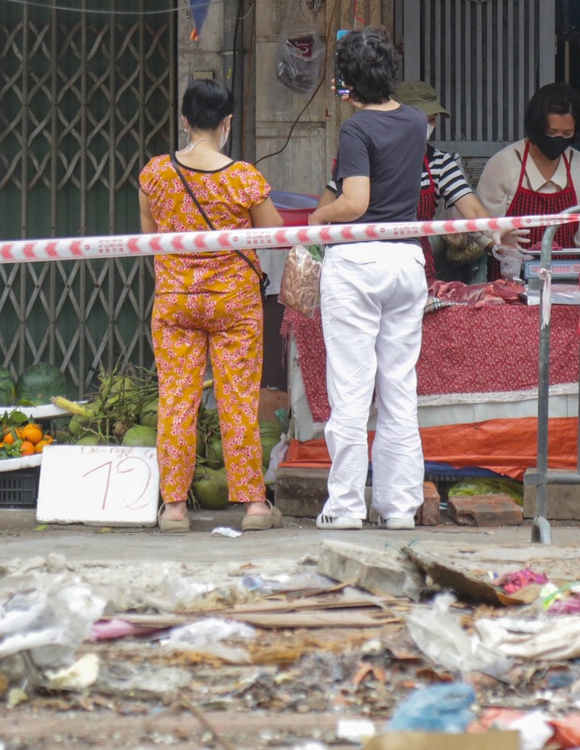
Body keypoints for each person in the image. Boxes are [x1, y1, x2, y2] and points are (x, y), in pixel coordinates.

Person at [138, 79, 284, 533]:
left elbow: (149, 238)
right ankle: (254, 506)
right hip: (234, 304)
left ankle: (175, 507)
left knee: (176, 401)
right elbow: (273, 231)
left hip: (175, 301)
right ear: (228, 123)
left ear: (184, 120)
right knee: (237, 401)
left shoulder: (155, 174)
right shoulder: (243, 178)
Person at [307, 28, 431, 531]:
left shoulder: (357, 130)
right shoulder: (417, 121)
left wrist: (321, 218)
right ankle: (400, 508)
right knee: (400, 389)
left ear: (347, 84)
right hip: (406, 262)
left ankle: (345, 507)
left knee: (352, 391)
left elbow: (356, 202)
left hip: (358, 263)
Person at [321, 79, 490, 280]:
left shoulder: (440, 163)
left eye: (432, 120)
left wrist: (496, 237)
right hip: (359, 267)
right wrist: (319, 219)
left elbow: (475, 211)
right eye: (421, 118)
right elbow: (328, 207)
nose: (425, 126)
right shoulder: (361, 156)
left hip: (414, 268)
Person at [476, 82, 580, 259]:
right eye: (551, 132)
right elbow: (479, 230)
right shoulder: (505, 163)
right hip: (512, 275)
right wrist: (501, 249)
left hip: (566, 276)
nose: (558, 139)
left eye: (567, 134)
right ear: (536, 126)